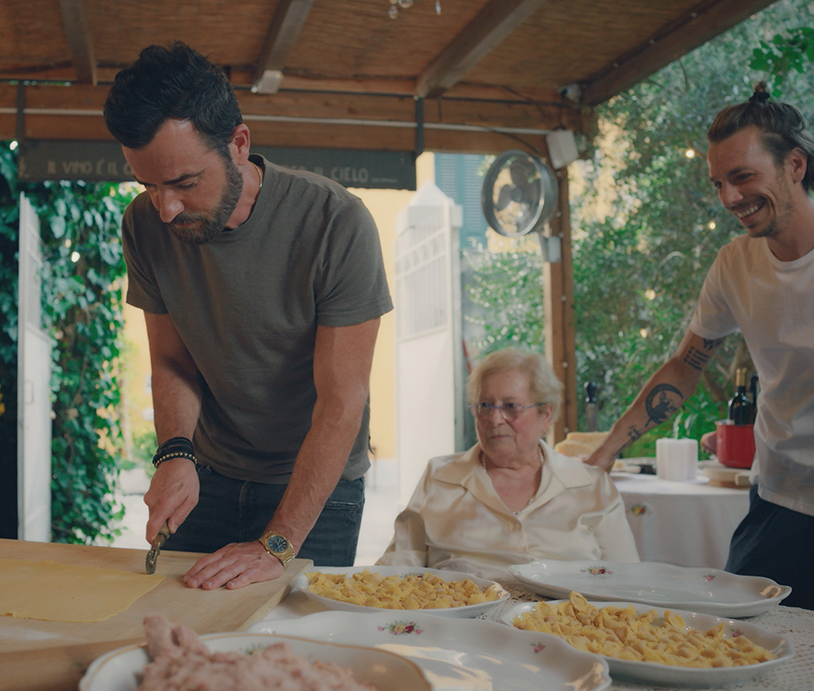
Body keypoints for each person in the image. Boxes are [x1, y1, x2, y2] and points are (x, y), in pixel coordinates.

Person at [586, 82, 814, 610]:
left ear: (795, 166)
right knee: (741, 653)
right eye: (718, 184)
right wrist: (605, 452)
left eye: (742, 177)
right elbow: (685, 366)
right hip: (776, 506)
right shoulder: (734, 264)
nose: (729, 198)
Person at [103, 43, 392, 590]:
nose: (165, 208)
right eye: (147, 185)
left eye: (184, 183)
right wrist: (175, 452)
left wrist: (275, 544)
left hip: (317, 488)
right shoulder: (143, 224)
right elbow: (171, 360)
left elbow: (341, 403)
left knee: (295, 650)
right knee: (195, 641)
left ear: (238, 144)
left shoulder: (336, 222)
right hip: (209, 473)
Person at [379, 349, 638, 579]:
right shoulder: (441, 477)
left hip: (566, 627)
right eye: (485, 405)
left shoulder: (592, 486)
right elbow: (397, 570)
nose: (495, 418)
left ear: (545, 415)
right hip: (463, 626)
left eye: (511, 406)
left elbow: (626, 581)